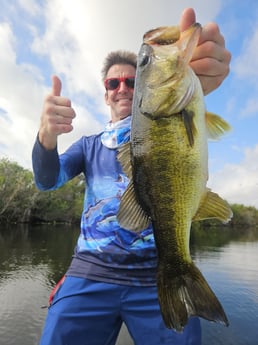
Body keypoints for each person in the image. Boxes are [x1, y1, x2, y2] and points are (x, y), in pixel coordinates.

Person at [32, 8, 231, 345]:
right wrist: (45, 139)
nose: (122, 88)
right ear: (106, 91)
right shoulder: (88, 145)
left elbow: (170, 118)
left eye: (132, 80)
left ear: (141, 88)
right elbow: (47, 180)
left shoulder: (172, 108)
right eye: (113, 82)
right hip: (90, 273)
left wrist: (194, 82)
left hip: (159, 275)